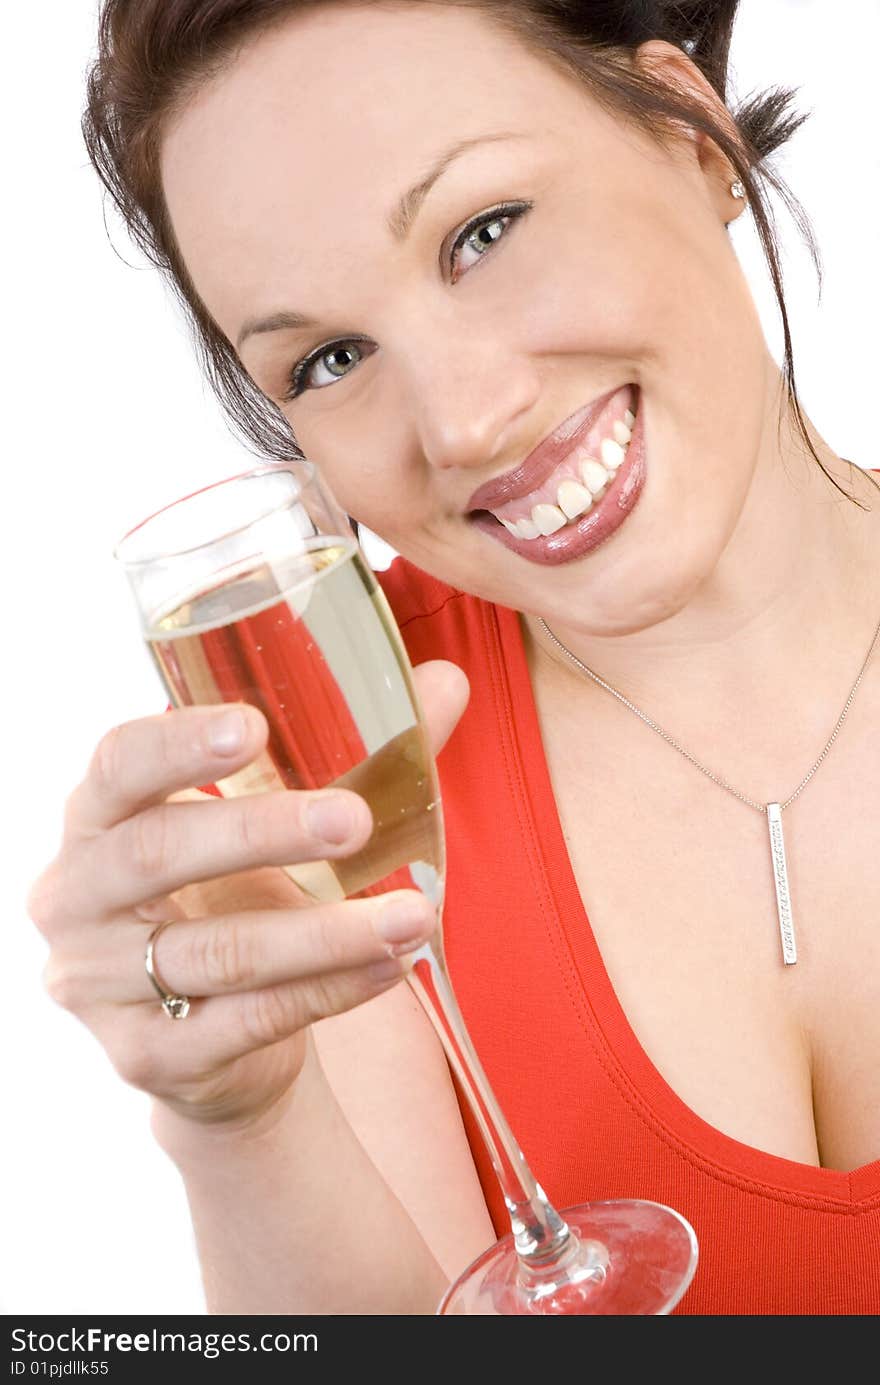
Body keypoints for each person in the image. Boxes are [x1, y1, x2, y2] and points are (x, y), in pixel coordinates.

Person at [28, 0, 880, 1315]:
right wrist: (237, 1118)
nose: (464, 418)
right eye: (332, 357)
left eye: (483, 231)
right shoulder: (355, 786)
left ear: (694, 137)